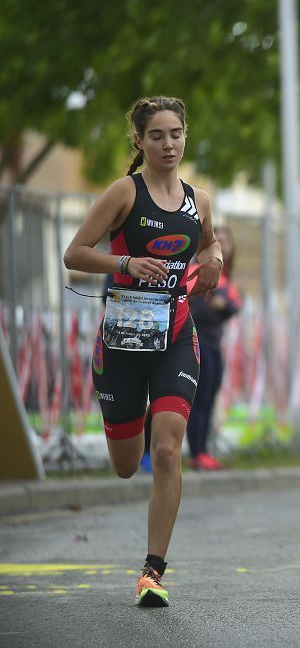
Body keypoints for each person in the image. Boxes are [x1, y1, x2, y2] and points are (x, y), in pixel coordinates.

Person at [63, 96, 223, 607]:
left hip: (177, 336)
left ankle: (153, 571)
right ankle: (127, 417)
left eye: (175, 134)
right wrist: (126, 263)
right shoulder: (123, 193)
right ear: (140, 141)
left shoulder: (199, 198)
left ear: (185, 135)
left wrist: (213, 263)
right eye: (157, 136)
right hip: (124, 342)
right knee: (127, 464)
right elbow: (75, 254)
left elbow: (210, 245)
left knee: (168, 448)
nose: (168, 144)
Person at [186, 226, 241, 471]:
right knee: (198, 401)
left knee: (208, 399)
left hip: (214, 344)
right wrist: (220, 304)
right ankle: (197, 452)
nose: (225, 244)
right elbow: (199, 306)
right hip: (196, 343)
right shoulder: (196, 271)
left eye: (229, 240)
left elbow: (233, 306)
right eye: (221, 239)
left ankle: (202, 451)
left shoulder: (226, 277)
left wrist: (224, 304)